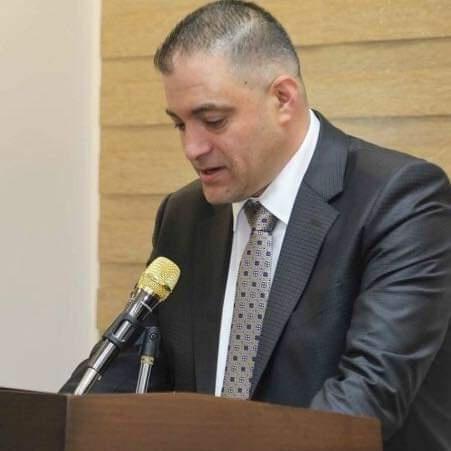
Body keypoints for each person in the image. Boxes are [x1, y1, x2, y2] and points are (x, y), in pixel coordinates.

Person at [62, 1, 451, 449]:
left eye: (213, 121)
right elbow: (130, 369)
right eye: (180, 125)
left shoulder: (400, 199)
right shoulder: (184, 216)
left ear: (283, 99)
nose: (192, 147)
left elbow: (365, 398)